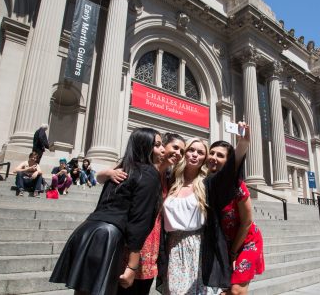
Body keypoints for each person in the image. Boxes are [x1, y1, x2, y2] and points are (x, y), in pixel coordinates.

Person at [50, 128, 165, 295]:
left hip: (87, 231)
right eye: (157, 145)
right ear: (144, 146)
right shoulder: (148, 173)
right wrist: (132, 266)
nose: (162, 149)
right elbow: (139, 221)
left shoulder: (124, 168)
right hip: (107, 236)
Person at [160, 123, 250, 294]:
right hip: (173, 247)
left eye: (200, 152)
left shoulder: (208, 184)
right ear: (185, 153)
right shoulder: (170, 180)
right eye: (191, 150)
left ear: (204, 158)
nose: (195, 155)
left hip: (200, 248)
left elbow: (229, 174)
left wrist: (242, 145)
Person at [101, 132, 186, 295]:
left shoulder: (170, 177)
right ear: (162, 147)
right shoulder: (140, 168)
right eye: (175, 147)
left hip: (153, 243)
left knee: (142, 289)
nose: (178, 154)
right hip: (132, 239)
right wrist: (107, 173)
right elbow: (104, 176)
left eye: (181, 151)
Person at [207, 140, 264, 295]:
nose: (214, 157)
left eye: (220, 155)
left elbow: (246, 223)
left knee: (237, 289)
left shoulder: (238, 186)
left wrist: (233, 251)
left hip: (247, 241)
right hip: (224, 243)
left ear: (228, 162)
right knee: (226, 289)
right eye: (211, 153)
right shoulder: (205, 184)